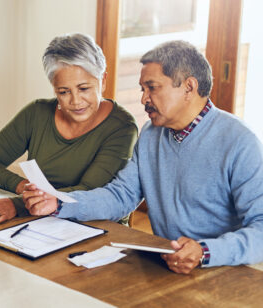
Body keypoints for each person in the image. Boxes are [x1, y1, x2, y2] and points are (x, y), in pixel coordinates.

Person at [24, 40, 263, 274]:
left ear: (189, 88)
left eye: (152, 87)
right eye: (142, 89)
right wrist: (58, 203)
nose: (143, 99)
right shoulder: (151, 134)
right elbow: (121, 196)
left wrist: (204, 251)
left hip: (227, 272)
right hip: (166, 266)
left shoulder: (240, 142)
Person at [0, 33, 138, 226]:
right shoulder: (37, 113)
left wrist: (17, 205)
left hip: (95, 226)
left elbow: (90, 191)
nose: (75, 101)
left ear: (103, 80)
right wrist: (24, 188)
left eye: (84, 89)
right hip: (41, 221)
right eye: (63, 92)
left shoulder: (122, 127)